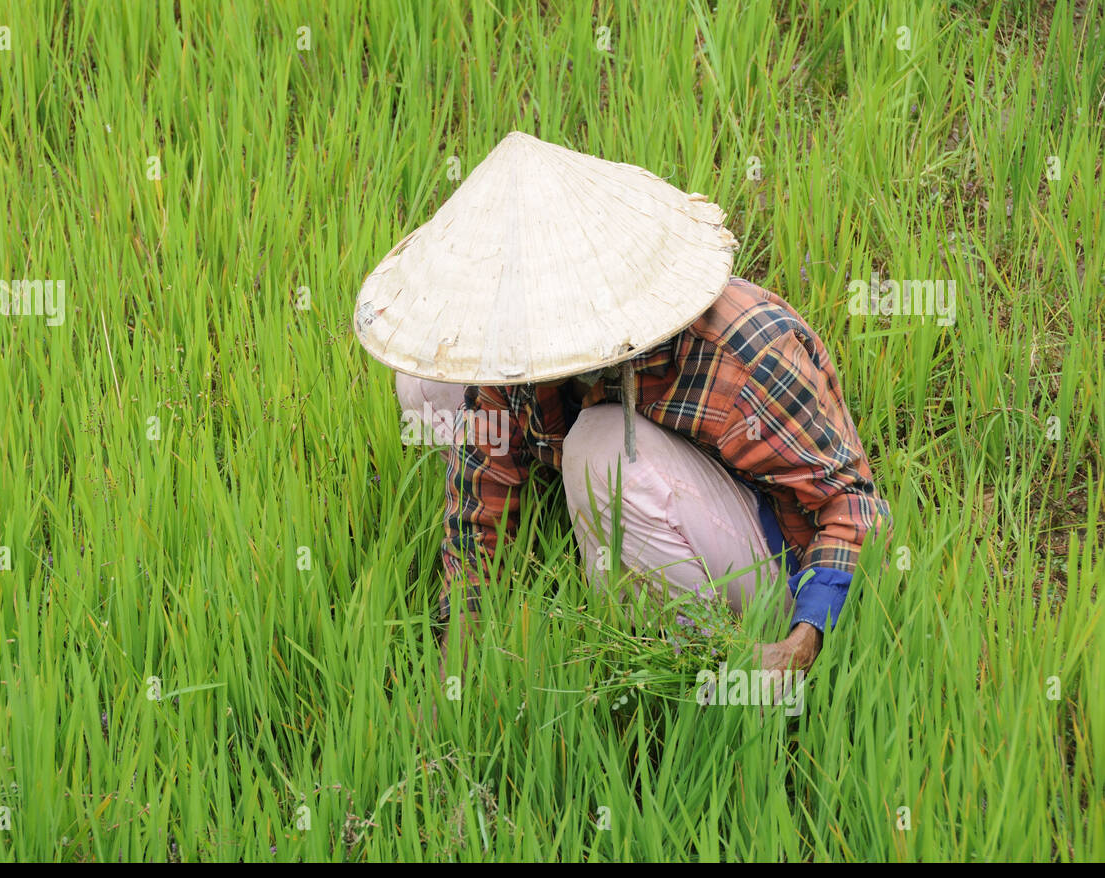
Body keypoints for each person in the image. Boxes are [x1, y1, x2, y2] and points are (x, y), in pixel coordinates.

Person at [356, 132, 891, 681]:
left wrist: (802, 643)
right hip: (637, 470)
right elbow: (480, 484)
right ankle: (597, 519)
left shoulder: (745, 350)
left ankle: (691, 649)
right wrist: (456, 665)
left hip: (770, 561)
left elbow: (852, 504)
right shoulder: (517, 339)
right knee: (429, 384)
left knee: (602, 447)